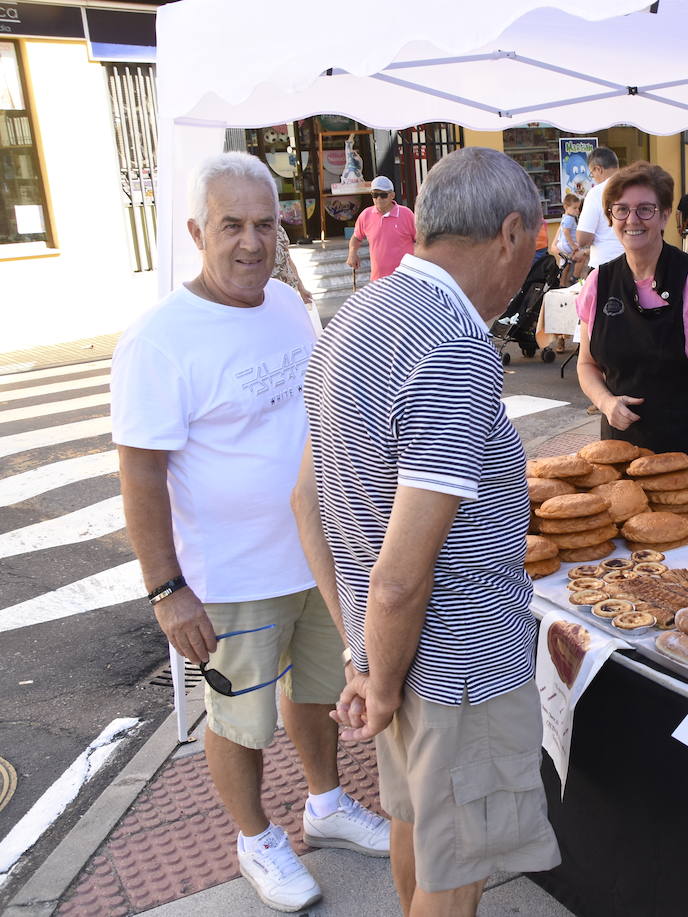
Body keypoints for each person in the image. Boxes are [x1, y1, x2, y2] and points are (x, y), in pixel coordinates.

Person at [112, 152, 389, 914]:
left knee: (319, 690)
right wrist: (168, 590)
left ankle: (326, 803)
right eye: (231, 225)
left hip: (313, 553)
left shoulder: (285, 306)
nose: (251, 242)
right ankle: (254, 835)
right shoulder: (159, 338)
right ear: (198, 231)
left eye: (265, 224)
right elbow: (139, 477)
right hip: (228, 578)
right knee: (240, 719)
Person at [295, 147, 561, 917]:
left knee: (418, 825)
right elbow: (402, 572)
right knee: (459, 872)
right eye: (532, 248)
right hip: (459, 664)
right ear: (510, 233)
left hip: (401, 655)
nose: (526, 272)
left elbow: (307, 502)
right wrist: (375, 676)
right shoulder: (454, 344)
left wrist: (365, 656)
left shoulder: (357, 316)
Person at [575, 161, 688, 504]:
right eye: (621, 210)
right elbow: (587, 365)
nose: (632, 219)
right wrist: (606, 402)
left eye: (645, 209)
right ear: (610, 217)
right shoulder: (599, 282)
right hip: (621, 458)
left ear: (665, 215)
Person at [346, 175, 416, 282]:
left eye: (383, 195)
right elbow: (356, 237)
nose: (378, 199)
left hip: (406, 279)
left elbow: (421, 240)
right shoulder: (366, 215)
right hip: (378, 280)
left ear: (392, 195)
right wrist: (352, 254)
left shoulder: (406, 214)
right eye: (375, 195)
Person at [574, 147, 623, 276]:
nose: (593, 178)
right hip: (637, 264)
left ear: (598, 169)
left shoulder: (597, 193)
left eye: (592, 173)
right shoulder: (636, 187)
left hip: (605, 265)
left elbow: (583, 239)